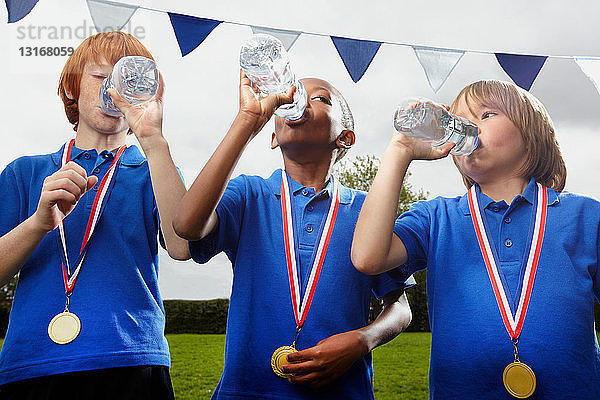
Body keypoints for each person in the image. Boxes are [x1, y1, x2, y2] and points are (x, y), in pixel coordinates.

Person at [351, 79, 600, 399]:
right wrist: (400, 150)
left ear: (531, 133)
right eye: (458, 118)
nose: (466, 126)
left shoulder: (586, 217)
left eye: (486, 114)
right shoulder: (436, 218)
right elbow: (368, 256)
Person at [173, 71, 414, 399]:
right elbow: (185, 225)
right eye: (292, 95)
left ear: (345, 137)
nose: (297, 100)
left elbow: (400, 308)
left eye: (320, 98)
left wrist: (362, 340)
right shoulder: (248, 195)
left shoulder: (368, 212)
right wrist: (247, 121)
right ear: (273, 136)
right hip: (246, 392)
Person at [0, 32, 189, 399]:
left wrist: (153, 140)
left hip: (133, 361)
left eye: (128, 81)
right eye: (102, 77)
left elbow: (183, 246)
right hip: (31, 365)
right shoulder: (24, 173)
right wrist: (38, 223)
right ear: (72, 88)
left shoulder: (156, 169)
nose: (113, 91)